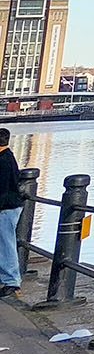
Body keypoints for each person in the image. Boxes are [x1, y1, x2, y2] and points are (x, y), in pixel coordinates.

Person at [0, 126, 24, 297]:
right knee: (5, 243)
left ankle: (12, 281)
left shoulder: (3, 161)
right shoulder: (7, 157)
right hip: (10, 205)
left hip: (6, 208)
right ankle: (8, 279)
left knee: (6, 243)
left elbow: (2, 189)